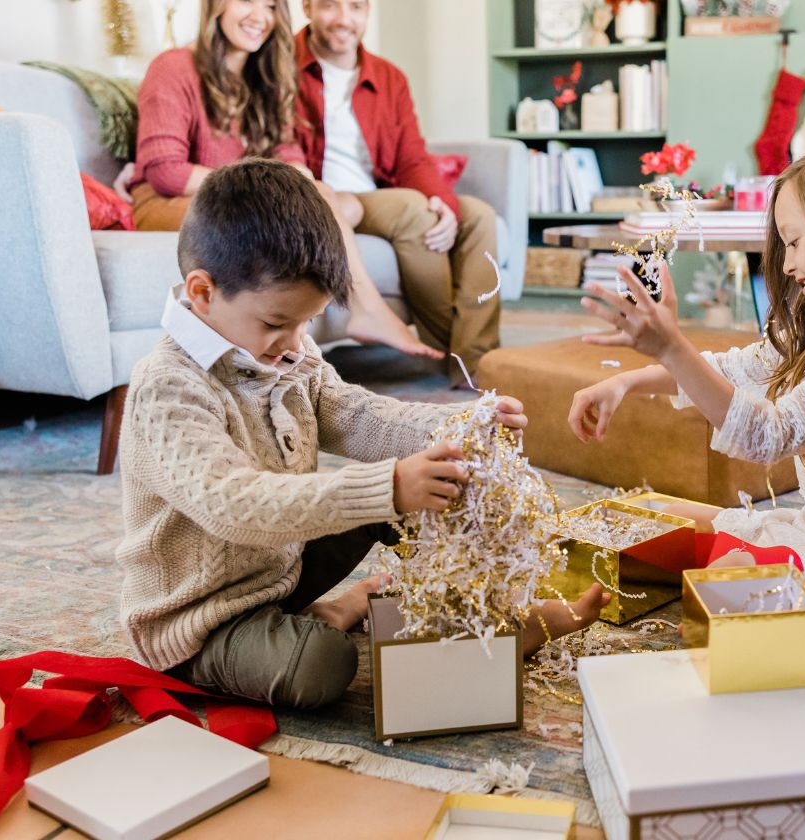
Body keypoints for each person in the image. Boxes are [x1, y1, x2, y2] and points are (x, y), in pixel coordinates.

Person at [116, 159, 604, 708]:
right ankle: (334, 612)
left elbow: (353, 414)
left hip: (279, 566)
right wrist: (387, 487)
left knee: (440, 478)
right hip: (200, 618)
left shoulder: (290, 353)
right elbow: (231, 503)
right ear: (201, 293)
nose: (295, 341)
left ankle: (494, 626)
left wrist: (457, 427)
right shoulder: (168, 386)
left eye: (307, 323)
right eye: (278, 323)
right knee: (323, 665)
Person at [567, 138, 805, 632]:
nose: (787, 266)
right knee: (659, 515)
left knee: (725, 589)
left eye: (794, 242)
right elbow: (733, 369)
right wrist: (625, 382)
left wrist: (670, 346)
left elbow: (769, 434)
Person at [126, 0, 437, 360]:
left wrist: (306, 188)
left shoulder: (266, 78)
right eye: (247, 1)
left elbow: (288, 153)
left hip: (242, 198)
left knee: (332, 200)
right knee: (317, 208)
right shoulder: (174, 67)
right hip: (172, 201)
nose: (260, 16)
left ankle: (359, 311)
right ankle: (367, 309)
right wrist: (257, 187)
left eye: (272, 6)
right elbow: (166, 172)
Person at [294, 0, 501, 384]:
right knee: (413, 210)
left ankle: (479, 361)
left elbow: (411, 157)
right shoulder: (281, 68)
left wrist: (444, 201)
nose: (344, 19)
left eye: (355, 7)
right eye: (328, 6)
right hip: (328, 196)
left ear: (367, 11)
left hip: (378, 193)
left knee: (479, 216)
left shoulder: (388, 78)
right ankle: (448, 353)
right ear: (306, 8)